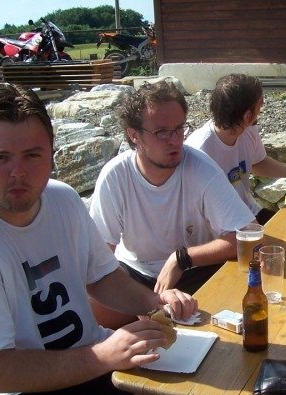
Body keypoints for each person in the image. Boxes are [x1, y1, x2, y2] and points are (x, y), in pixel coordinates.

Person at [0, 84, 200, 395]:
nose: (17, 173)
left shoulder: (63, 199)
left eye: (32, 155)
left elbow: (102, 276)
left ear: (52, 153)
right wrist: (105, 355)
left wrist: (156, 304)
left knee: (205, 390)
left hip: (87, 354)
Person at [89, 80, 255, 328]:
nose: (175, 140)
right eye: (162, 132)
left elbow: (249, 237)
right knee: (87, 309)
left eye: (179, 129)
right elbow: (98, 258)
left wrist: (182, 258)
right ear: (134, 135)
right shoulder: (116, 176)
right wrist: (144, 301)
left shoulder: (201, 169)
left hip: (193, 272)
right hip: (134, 275)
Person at [186, 73, 286, 225]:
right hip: (220, 227)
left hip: (249, 213)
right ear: (248, 116)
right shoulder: (199, 151)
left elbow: (258, 163)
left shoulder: (248, 130)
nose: (262, 108)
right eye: (260, 104)